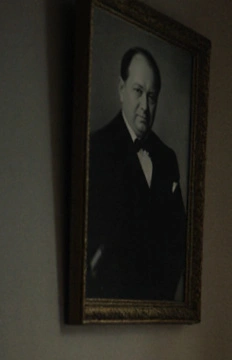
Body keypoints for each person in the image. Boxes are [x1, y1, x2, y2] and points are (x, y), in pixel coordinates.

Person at [86, 46, 187, 301]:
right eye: (138, 91)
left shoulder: (167, 158)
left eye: (151, 96)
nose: (145, 105)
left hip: (156, 308)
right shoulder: (96, 150)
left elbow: (179, 242)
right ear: (121, 89)